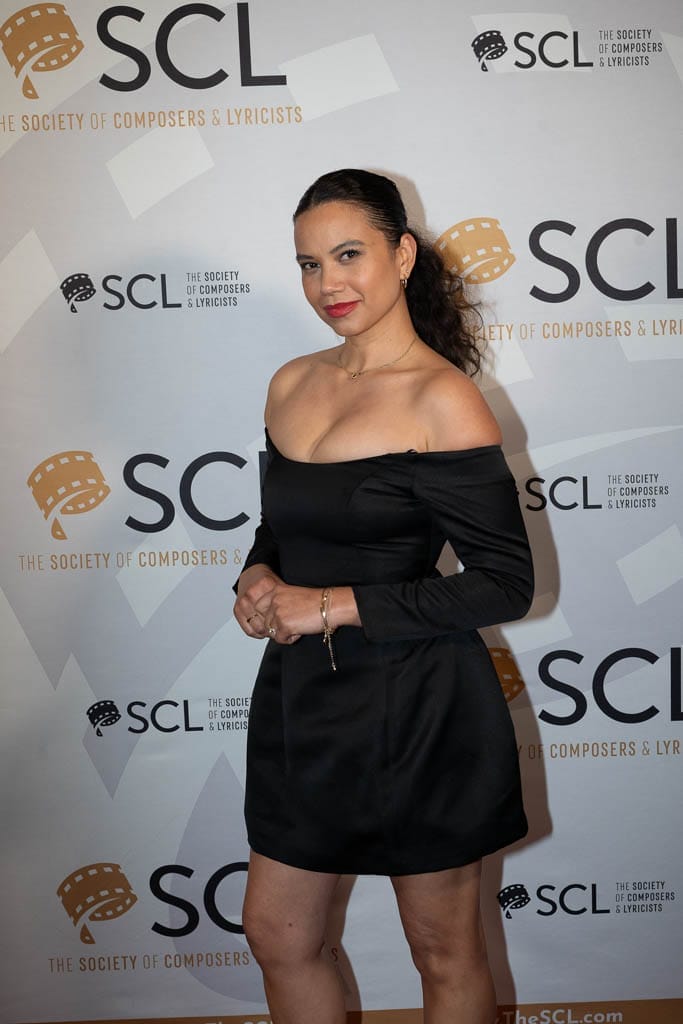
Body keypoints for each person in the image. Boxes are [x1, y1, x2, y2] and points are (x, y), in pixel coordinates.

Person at [232, 168, 534, 1024]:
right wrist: (256, 574)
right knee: (278, 933)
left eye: (348, 255)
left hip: (419, 707)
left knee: (443, 950)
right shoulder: (290, 383)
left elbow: (505, 582)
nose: (327, 283)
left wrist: (330, 604)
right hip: (304, 700)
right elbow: (282, 527)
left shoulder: (444, 398)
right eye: (308, 263)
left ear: (401, 256)